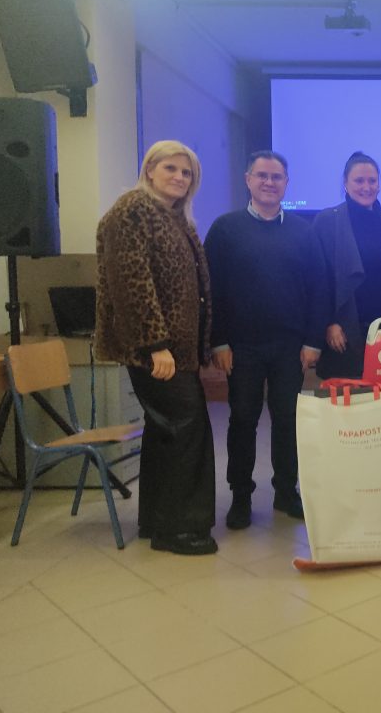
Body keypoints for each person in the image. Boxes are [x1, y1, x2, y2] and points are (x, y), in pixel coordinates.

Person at [95, 140, 217, 555]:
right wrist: (155, 345)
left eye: (187, 173)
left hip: (176, 350)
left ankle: (156, 521)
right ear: (149, 169)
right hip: (159, 351)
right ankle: (178, 531)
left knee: (167, 433)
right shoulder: (132, 211)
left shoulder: (174, 217)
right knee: (186, 431)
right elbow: (132, 282)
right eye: (171, 168)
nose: (180, 177)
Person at [204, 150, 329, 530]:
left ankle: (286, 492)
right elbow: (211, 290)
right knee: (242, 420)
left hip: (290, 347)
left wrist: (313, 341)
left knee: (288, 421)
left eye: (277, 177)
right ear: (248, 180)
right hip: (241, 347)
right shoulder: (225, 230)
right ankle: (240, 496)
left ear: (287, 184)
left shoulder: (305, 232)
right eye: (262, 176)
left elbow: (319, 289)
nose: (269, 183)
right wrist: (218, 342)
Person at [314, 151, 381, 379]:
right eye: (359, 181)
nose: (366, 187)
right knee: (348, 395)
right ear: (345, 183)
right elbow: (318, 281)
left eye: (372, 181)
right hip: (344, 328)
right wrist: (330, 323)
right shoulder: (327, 221)